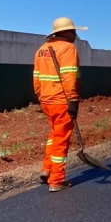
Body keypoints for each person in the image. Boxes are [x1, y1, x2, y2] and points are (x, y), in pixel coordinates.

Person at [33, 17, 85, 192]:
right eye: (73, 31)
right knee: (61, 139)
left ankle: (47, 169)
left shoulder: (42, 50)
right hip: (61, 101)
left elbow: (37, 78)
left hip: (47, 100)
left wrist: (41, 97)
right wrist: (73, 100)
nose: (75, 35)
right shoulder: (68, 48)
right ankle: (56, 180)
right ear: (65, 32)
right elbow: (69, 76)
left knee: (54, 135)